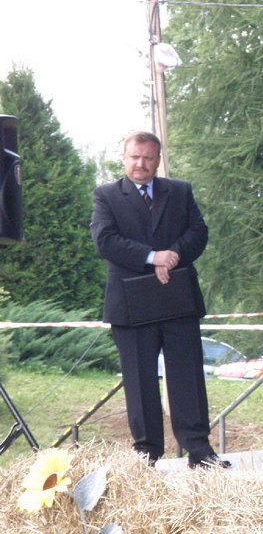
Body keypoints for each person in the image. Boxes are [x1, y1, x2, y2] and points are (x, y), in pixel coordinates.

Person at [91, 131, 230, 469]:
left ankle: (199, 451)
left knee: (188, 376)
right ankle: (146, 455)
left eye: (148, 157)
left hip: (177, 297)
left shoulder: (180, 191)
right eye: (135, 157)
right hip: (131, 304)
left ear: (158, 160)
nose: (141, 163)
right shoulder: (106, 195)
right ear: (124, 158)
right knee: (140, 383)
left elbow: (198, 232)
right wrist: (153, 257)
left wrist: (172, 256)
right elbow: (105, 241)